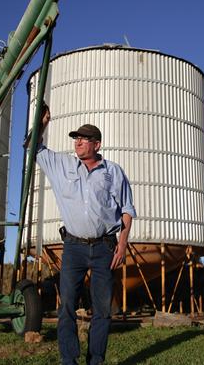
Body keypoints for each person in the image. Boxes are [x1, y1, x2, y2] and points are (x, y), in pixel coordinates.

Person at [32, 104, 136, 365]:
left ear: (97, 144)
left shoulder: (112, 172)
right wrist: (42, 123)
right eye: (76, 138)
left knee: (102, 310)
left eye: (84, 138)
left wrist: (122, 245)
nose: (77, 142)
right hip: (73, 248)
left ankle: (96, 360)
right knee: (67, 306)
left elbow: (127, 210)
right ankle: (69, 359)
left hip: (105, 248)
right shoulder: (63, 166)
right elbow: (32, 147)